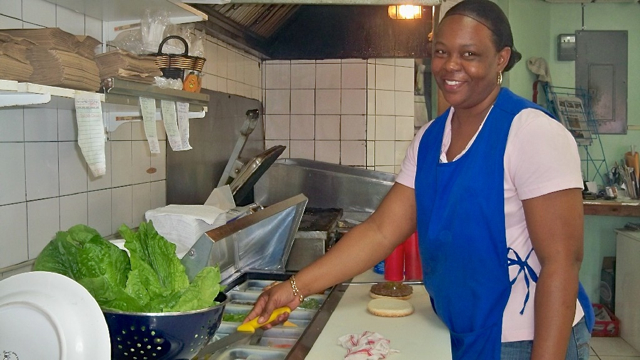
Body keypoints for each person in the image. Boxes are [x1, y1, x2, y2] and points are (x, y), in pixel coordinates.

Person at [244, 1, 594, 359]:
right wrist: (294, 288)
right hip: (457, 330)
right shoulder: (430, 139)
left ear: (501, 58)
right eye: (441, 52)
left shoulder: (532, 132)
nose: (451, 66)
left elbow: (561, 263)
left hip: (525, 339)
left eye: (469, 53)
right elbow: (381, 231)